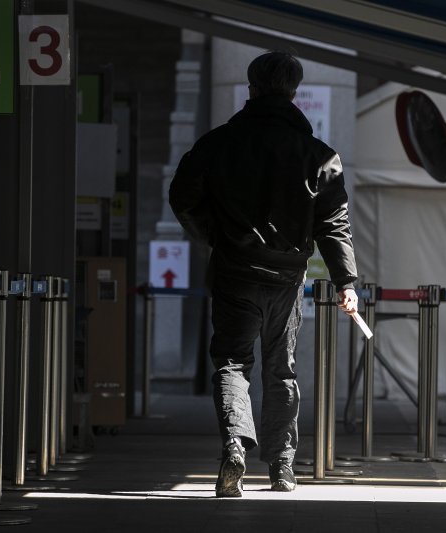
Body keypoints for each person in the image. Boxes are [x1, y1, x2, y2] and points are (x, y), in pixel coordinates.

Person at [168, 50, 359, 497]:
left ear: (252, 89)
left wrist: (214, 234)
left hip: (235, 270)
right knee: (281, 370)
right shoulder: (319, 154)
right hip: (287, 278)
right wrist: (345, 281)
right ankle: (282, 467)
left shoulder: (218, 143)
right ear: (294, 93)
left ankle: (235, 446)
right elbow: (334, 223)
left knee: (233, 362)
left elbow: (183, 196)